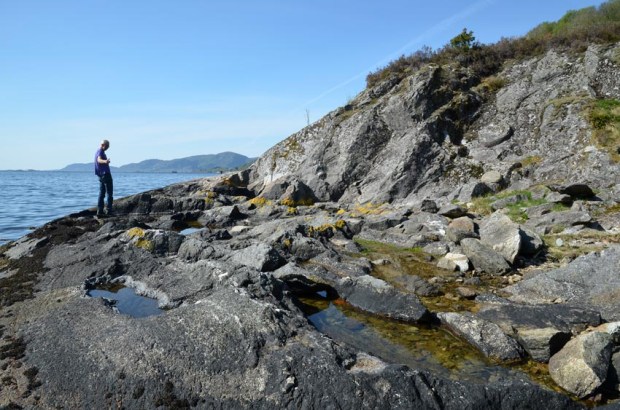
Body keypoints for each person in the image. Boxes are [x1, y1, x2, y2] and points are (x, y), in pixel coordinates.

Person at [94, 139, 113, 217]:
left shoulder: (98, 151)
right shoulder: (100, 151)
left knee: (102, 193)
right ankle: (109, 210)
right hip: (105, 174)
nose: (108, 148)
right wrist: (105, 161)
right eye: (107, 146)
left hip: (100, 175)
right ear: (102, 145)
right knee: (109, 192)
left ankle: (100, 210)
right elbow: (99, 160)